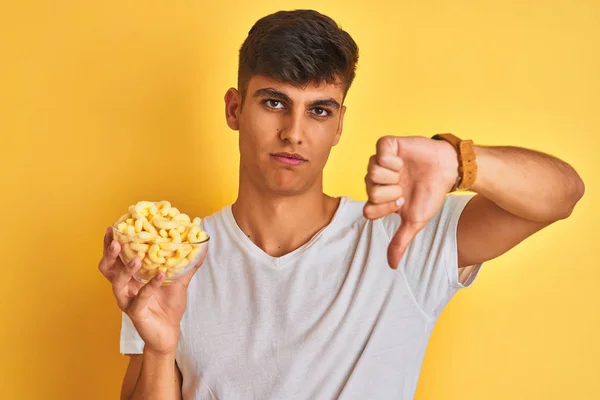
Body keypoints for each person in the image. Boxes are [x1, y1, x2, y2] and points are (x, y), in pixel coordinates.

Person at [98, 9, 585, 400]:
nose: (293, 131)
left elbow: (561, 194)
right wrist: (160, 351)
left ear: (339, 124)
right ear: (234, 108)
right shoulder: (174, 259)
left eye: (319, 110)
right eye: (273, 102)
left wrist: (458, 161)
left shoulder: (402, 238)